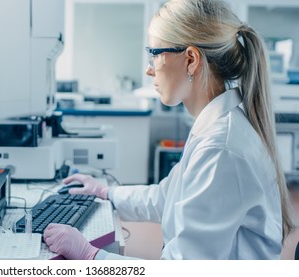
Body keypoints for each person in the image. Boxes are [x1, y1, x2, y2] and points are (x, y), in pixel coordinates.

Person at [43, 0, 295, 260]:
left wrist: (89, 255)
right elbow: (167, 197)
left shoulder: (221, 149)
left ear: (190, 60)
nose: (148, 69)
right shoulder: (216, 127)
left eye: (154, 53)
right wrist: (106, 192)